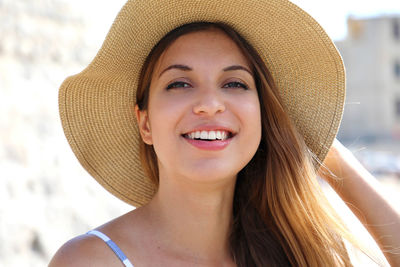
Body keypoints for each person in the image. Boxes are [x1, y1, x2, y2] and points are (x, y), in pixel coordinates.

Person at [49, 0, 400, 266]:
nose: (210, 104)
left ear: (263, 116)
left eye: (234, 83)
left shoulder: (294, 253)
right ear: (145, 124)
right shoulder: (93, 259)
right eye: (179, 83)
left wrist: (338, 163)